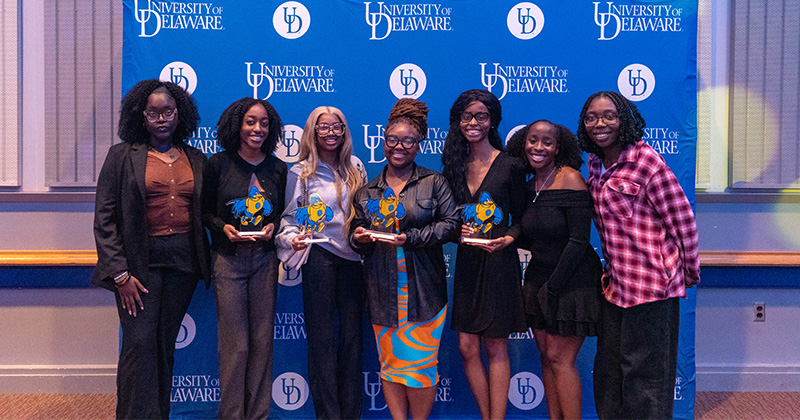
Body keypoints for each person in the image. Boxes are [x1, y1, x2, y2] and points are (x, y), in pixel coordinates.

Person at [576, 91, 700, 419]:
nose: (599, 123)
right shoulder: (595, 162)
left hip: (652, 287)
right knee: (610, 373)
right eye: (591, 117)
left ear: (625, 120)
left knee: (646, 378)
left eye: (608, 116)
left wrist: (686, 273)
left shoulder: (646, 161)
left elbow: (682, 218)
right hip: (615, 286)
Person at [92, 79, 210, 419]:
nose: (161, 118)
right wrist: (120, 274)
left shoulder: (195, 158)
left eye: (168, 112)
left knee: (163, 346)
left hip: (183, 265)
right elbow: (105, 218)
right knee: (138, 345)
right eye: (153, 113)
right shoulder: (121, 156)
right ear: (140, 116)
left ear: (180, 115)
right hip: (136, 269)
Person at [351, 98, 459, 420]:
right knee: (390, 365)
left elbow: (451, 225)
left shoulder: (433, 182)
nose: (399, 147)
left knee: (421, 368)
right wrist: (358, 237)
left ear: (419, 144)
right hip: (382, 290)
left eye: (408, 141)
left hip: (423, 291)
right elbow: (358, 231)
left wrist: (410, 238)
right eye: (392, 140)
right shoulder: (368, 190)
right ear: (383, 142)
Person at [506, 120, 603, 420]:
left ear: (558, 148)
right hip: (537, 279)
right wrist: (501, 236)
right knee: (547, 358)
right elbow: (528, 232)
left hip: (572, 281)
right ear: (523, 143)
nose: (538, 147)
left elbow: (578, 241)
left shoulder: (572, 178)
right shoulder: (528, 186)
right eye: (533, 140)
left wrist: (554, 288)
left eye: (547, 142)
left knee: (562, 360)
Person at [275, 106, 366, 419]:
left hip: (354, 258)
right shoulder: (300, 172)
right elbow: (288, 217)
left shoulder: (356, 167)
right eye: (323, 127)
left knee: (353, 339)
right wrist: (291, 238)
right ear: (312, 132)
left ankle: (351, 414)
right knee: (322, 340)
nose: (331, 133)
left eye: (337, 126)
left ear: (344, 131)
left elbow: (366, 213)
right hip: (319, 257)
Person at [441, 89, 526, 420]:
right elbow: (448, 221)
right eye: (466, 116)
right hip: (468, 263)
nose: (473, 123)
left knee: (496, 346)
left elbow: (522, 220)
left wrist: (507, 239)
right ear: (458, 121)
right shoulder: (453, 164)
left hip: (499, 264)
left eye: (480, 116)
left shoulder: (510, 165)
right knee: (466, 348)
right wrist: (453, 232)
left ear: (492, 121)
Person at [201, 97, 287, 419]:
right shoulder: (217, 165)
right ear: (238, 124)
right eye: (251, 121)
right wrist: (222, 227)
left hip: (265, 261)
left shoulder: (278, 168)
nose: (258, 129)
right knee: (236, 348)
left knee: (262, 344)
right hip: (228, 261)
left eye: (264, 123)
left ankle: (258, 416)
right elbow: (205, 213)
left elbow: (283, 215)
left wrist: (273, 226)